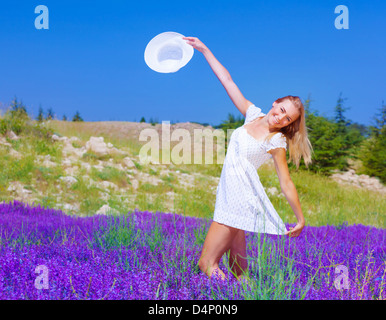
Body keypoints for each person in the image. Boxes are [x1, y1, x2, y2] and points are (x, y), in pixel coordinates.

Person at [183, 36, 313, 281]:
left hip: (238, 202)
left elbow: (286, 182)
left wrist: (300, 218)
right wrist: (204, 50)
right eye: (282, 110)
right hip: (230, 196)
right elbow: (227, 80)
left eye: (288, 120)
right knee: (239, 272)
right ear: (275, 103)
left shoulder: (276, 142)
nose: (280, 118)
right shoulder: (252, 114)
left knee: (207, 264)